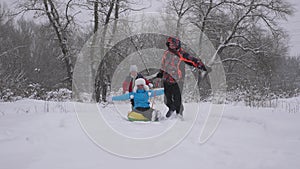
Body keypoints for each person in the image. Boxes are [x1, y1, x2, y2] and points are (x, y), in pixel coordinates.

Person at [156, 37, 211, 119]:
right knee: (166, 100)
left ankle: (179, 114)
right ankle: (172, 108)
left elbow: (193, 61)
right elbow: (163, 64)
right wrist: (161, 72)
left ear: (177, 45)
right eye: (170, 44)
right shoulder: (166, 53)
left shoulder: (181, 54)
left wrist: (203, 66)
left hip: (178, 80)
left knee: (177, 99)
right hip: (166, 79)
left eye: (173, 44)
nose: (171, 46)